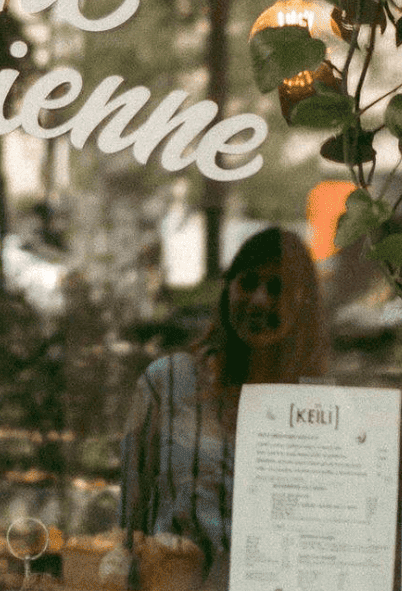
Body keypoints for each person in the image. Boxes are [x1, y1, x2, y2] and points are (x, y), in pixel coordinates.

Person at [119, 226, 328, 586]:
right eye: (248, 282)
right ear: (228, 288)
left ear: (303, 306)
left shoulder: (318, 411)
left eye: (277, 288)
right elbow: (129, 523)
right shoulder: (166, 383)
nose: (259, 300)